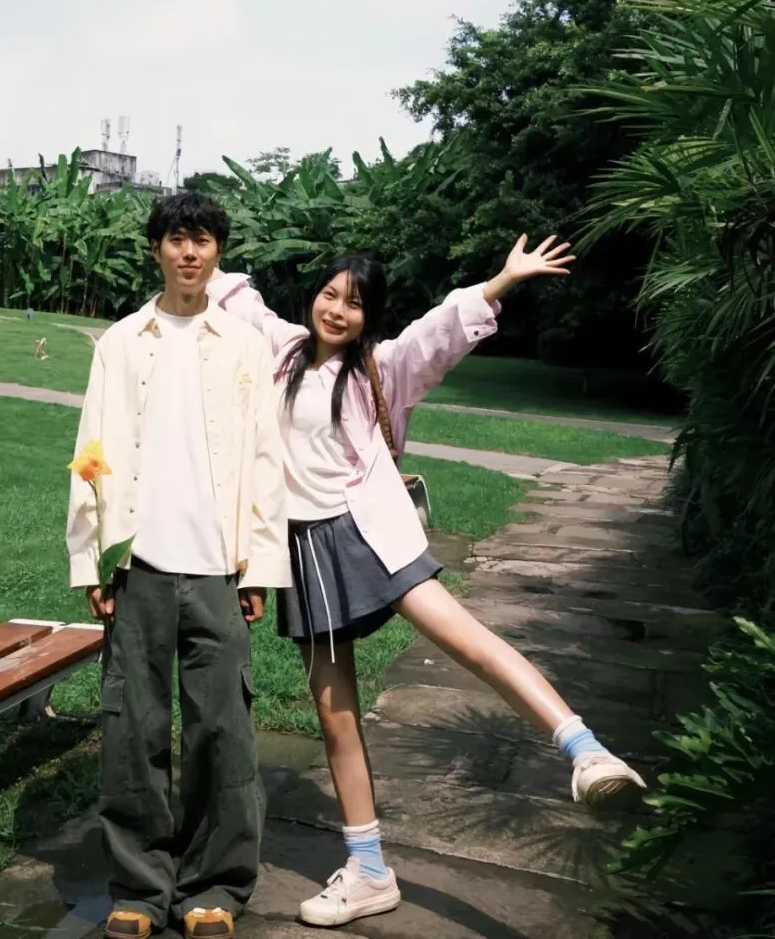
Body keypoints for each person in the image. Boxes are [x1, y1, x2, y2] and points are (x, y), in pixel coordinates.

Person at [207, 234, 646, 928]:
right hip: (303, 553)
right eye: (329, 295)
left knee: (466, 640)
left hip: (368, 534)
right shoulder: (282, 349)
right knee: (334, 714)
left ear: (369, 317)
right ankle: (369, 871)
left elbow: (436, 334)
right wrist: (193, 259)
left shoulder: (380, 368)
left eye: (354, 304)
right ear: (313, 297)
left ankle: (584, 751)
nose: (337, 310)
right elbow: (235, 296)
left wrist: (502, 281)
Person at [66, 191, 290, 939]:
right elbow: (90, 454)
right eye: (176, 240)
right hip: (140, 565)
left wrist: (260, 567)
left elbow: (265, 461)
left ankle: (214, 886)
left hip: (219, 566)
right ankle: (139, 884)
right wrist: (93, 560)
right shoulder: (120, 343)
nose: (189, 253)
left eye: (202, 240)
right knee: (132, 729)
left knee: (221, 731)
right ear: (157, 249)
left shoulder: (245, 346)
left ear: (218, 252)